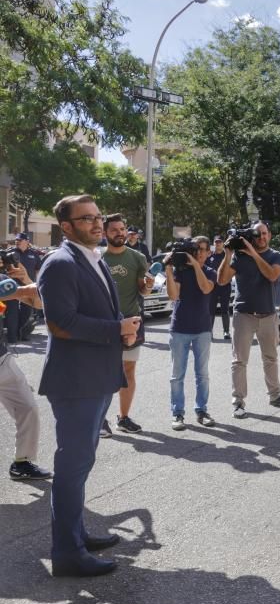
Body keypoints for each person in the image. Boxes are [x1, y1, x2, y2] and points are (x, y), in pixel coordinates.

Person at [38, 194, 142, 577]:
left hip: (94, 377)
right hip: (75, 381)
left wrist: (122, 333)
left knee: (80, 465)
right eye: (87, 219)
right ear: (66, 227)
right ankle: (67, 553)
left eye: (98, 217)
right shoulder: (61, 263)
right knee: (72, 466)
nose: (98, 225)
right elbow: (60, 323)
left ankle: (76, 534)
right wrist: (116, 330)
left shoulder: (90, 257)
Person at [217, 221, 280, 418]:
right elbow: (222, 280)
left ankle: (275, 395)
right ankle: (238, 401)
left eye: (264, 234)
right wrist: (227, 255)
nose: (261, 237)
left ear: (269, 235)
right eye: (257, 234)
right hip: (243, 314)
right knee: (239, 361)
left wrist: (253, 253)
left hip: (268, 314)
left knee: (270, 358)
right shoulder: (239, 256)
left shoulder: (276, 255)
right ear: (252, 235)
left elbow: (271, 275)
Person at [100, 214, 152, 436]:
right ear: (105, 233)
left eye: (122, 229)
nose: (120, 233)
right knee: (101, 372)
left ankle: (123, 418)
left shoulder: (138, 257)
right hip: (104, 323)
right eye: (115, 230)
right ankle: (99, 419)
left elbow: (143, 290)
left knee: (128, 370)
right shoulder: (96, 258)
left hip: (132, 320)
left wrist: (148, 286)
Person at [2, 263, 51, 481]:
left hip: (2, 360)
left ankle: (22, 462)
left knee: (28, 408)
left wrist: (24, 280)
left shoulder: (3, 279)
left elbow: (38, 303)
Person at [164, 236, 217, 430]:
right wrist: (169, 270)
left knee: (202, 374)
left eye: (204, 249)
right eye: (197, 249)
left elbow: (205, 288)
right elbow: (173, 295)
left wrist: (195, 265)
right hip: (179, 329)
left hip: (202, 329)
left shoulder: (210, 272)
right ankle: (177, 414)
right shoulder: (180, 272)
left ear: (209, 253)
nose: (200, 252)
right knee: (177, 375)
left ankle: (201, 411)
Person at [10, 232, 42, 340]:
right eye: (16, 240)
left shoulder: (34, 254)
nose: (17, 242)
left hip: (29, 286)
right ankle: (12, 335)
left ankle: (21, 333)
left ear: (27, 242)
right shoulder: (11, 253)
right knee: (12, 312)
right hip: (13, 287)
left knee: (27, 311)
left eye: (20, 240)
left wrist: (38, 283)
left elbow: (38, 270)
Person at [205, 236, 232, 340]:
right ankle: (209, 331)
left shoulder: (227, 256)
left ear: (223, 243)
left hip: (225, 286)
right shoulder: (210, 257)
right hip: (213, 287)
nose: (218, 244)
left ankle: (226, 331)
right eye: (216, 242)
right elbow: (206, 270)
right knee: (211, 309)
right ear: (213, 244)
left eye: (220, 242)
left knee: (225, 309)